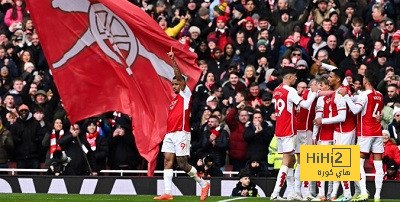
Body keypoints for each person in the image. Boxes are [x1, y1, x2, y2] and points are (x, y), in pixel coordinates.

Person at [154, 48, 209, 201]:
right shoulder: (174, 101)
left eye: (176, 84)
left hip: (181, 133)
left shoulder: (186, 95)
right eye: (172, 84)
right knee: (167, 160)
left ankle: (203, 184)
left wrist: (173, 60)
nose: (174, 86)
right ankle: (167, 192)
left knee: (182, 163)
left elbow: (179, 77)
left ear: (182, 84)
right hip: (170, 133)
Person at [270, 67, 317, 200]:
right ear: (290, 77)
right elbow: (306, 105)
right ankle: (275, 193)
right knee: (287, 161)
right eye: (295, 76)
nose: (296, 79)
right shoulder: (290, 91)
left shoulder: (277, 90)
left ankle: (292, 193)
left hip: (279, 130)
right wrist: (314, 93)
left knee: (290, 162)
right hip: (288, 130)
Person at [338, 71, 384, 201]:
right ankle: (377, 196)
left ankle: (363, 192)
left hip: (365, 133)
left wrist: (346, 96)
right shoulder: (380, 95)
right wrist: (351, 95)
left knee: (358, 164)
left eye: (363, 78)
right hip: (378, 133)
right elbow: (377, 113)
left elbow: (355, 110)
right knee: (378, 165)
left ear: (366, 81)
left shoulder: (364, 95)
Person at [314, 69, 354, 201]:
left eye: (324, 83)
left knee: (339, 165)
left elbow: (341, 117)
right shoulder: (326, 97)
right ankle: (323, 194)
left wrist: (322, 122)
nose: (321, 87)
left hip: (340, 132)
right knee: (325, 166)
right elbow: (318, 117)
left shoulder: (339, 94)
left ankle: (336, 194)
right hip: (331, 133)